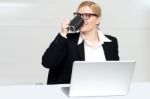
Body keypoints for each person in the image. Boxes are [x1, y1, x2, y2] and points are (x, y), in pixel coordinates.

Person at [42, 1, 119, 84]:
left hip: (102, 91)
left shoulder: (111, 42)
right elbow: (47, 62)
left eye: (86, 15)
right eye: (78, 16)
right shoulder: (67, 40)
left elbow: (114, 73)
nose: (81, 19)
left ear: (98, 19)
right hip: (72, 94)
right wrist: (63, 33)